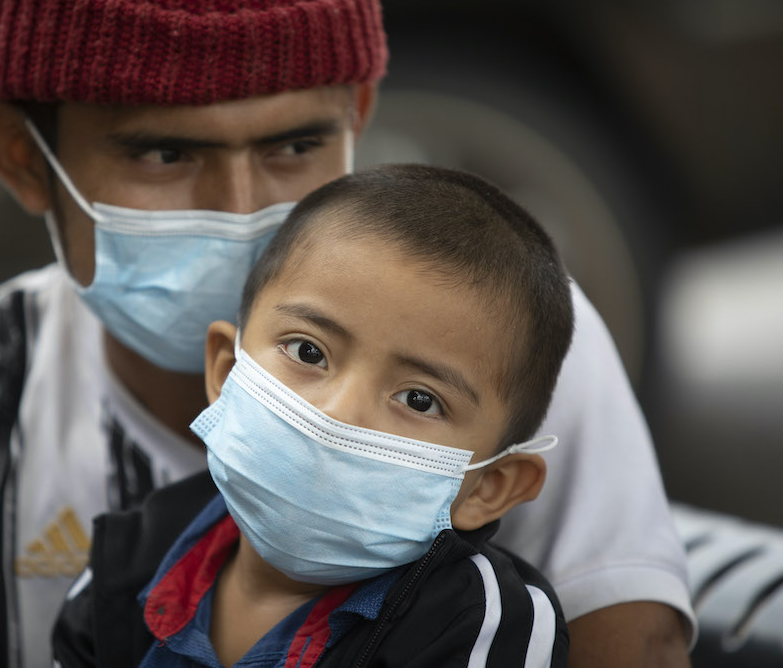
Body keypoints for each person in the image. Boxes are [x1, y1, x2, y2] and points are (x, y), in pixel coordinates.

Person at [0, 0, 693, 667]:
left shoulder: (514, 341)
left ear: (357, 119)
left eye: (293, 146)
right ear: (24, 156)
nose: (242, 212)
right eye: (164, 154)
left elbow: (632, 643)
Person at [52, 164, 573, 667]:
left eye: (419, 399)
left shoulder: (480, 626)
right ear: (227, 371)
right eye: (307, 352)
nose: (338, 412)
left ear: (490, 486)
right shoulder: (125, 565)